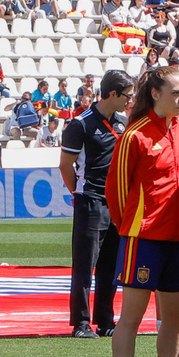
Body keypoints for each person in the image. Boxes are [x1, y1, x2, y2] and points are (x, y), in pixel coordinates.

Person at [108, 65, 179, 357]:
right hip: (142, 238)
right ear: (155, 94)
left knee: (175, 318)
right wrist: (132, 227)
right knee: (130, 317)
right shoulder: (135, 136)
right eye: (176, 92)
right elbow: (116, 194)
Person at [62, 69, 131, 339]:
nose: (130, 100)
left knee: (110, 266)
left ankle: (105, 321)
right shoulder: (80, 124)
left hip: (117, 203)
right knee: (84, 265)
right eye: (126, 95)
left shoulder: (124, 122)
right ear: (112, 93)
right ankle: (80, 323)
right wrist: (82, 193)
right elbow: (66, 166)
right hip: (91, 201)